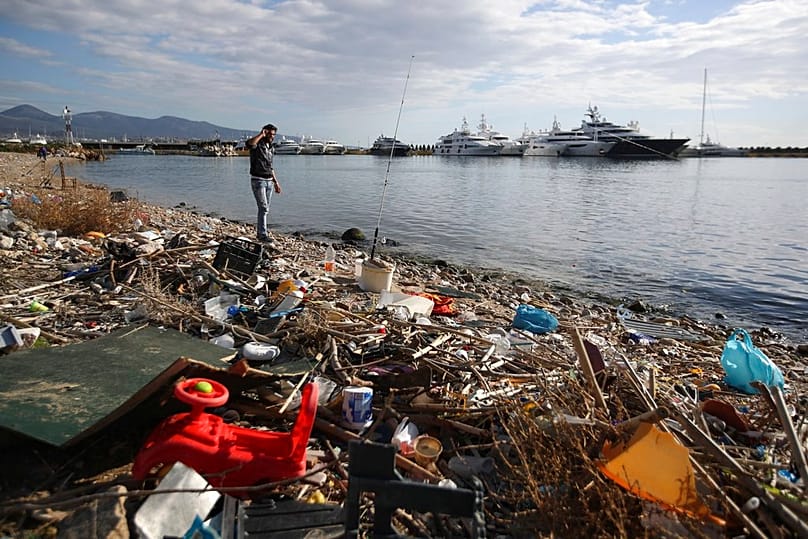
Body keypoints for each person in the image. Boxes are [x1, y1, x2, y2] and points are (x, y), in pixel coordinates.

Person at [246, 123, 282, 244]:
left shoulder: (270, 147)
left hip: (269, 181)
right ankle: (262, 235)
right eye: (270, 134)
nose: (272, 137)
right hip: (258, 180)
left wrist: (276, 182)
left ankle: (262, 232)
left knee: (265, 209)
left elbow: (271, 167)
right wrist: (261, 134)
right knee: (263, 207)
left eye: (273, 135)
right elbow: (250, 144)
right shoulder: (257, 145)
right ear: (265, 133)